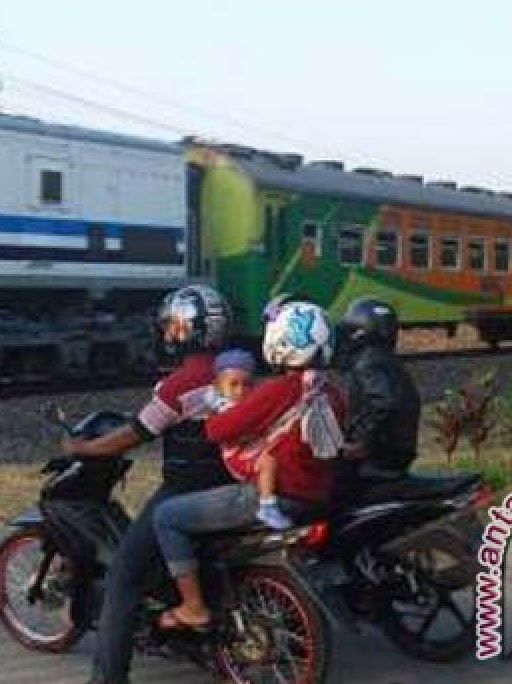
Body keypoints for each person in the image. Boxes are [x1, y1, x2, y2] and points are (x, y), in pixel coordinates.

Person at [62, 284, 234, 684]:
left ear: (188, 330)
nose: (168, 334)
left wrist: (85, 449)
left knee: (124, 572)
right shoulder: (239, 373)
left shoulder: (179, 384)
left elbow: (136, 433)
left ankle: (108, 677)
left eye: (173, 326)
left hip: (186, 490)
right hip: (232, 486)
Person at [148, 300, 344, 632]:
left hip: (275, 495)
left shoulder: (282, 388)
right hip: (316, 497)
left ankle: (193, 607)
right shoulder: (333, 391)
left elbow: (217, 431)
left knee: (166, 516)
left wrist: (217, 405)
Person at [334, 297, 421, 483]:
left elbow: (386, 403)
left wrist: (362, 443)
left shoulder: (367, 362)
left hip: (377, 456)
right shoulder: (386, 360)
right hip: (397, 451)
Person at [208, 349, 291, 530]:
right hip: (240, 455)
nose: (241, 390)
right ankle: (267, 505)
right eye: (234, 385)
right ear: (218, 387)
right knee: (268, 461)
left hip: (250, 448)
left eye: (247, 385)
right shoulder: (224, 408)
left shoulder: (247, 403)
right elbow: (234, 432)